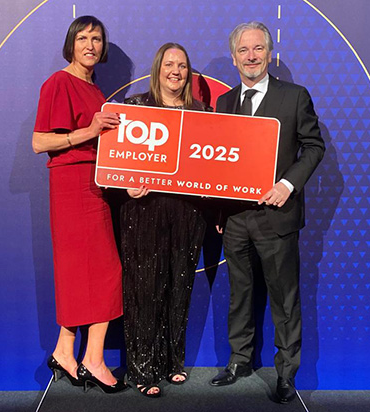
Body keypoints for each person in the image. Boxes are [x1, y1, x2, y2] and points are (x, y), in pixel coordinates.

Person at [209, 22, 325, 404]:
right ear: (234, 58)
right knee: (239, 294)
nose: (251, 56)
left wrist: (287, 184)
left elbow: (313, 147)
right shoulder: (225, 102)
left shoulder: (294, 96)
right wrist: (221, 209)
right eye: (243, 50)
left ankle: (286, 374)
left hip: (277, 215)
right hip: (235, 219)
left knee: (284, 300)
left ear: (270, 54)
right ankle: (239, 360)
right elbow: (219, 160)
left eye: (258, 48)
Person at [32, 15, 127, 394]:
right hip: (72, 186)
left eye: (97, 39)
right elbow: (40, 142)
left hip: (96, 185)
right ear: (70, 43)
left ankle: (65, 351)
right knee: (103, 272)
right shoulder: (59, 82)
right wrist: (88, 131)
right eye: (83, 38)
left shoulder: (95, 89)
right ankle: (94, 360)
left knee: (86, 274)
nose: (90, 45)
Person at [120, 43, 210, 398]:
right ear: (158, 68)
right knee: (145, 288)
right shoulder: (135, 107)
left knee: (179, 285)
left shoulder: (202, 112)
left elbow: (213, 164)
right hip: (144, 211)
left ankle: (173, 361)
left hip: (188, 212)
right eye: (170, 64)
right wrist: (126, 186)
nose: (176, 71)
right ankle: (143, 368)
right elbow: (115, 161)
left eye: (182, 65)